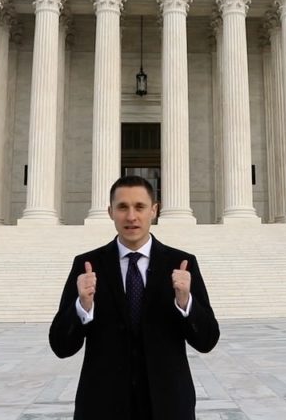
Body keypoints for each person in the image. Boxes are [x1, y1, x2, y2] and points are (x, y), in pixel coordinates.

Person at [49, 175, 219, 420]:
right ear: (110, 212)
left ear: (154, 210)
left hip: (167, 405)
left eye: (139, 207)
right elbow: (61, 346)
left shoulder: (181, 264)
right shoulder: (87, 266)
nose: (131, 217)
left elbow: (207, 340)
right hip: (103, 406)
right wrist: (81, 307)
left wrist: (185, 303)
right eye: (122, 207)